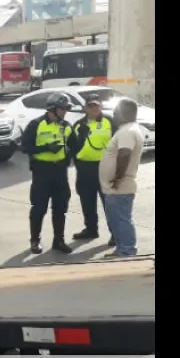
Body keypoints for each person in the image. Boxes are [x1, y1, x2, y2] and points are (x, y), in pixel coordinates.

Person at [20, 92, 79, 254]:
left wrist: (68, 157)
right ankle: (35, 241)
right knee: (39, 208)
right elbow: (24, 147)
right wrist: (46, 148)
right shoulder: (36, 124)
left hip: (60, 172)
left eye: (67, 109)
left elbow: (75, 146)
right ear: (52, 109)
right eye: (63, 109)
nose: (65, 111)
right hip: (42, 172)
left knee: (60, 208)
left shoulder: (66, 126)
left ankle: (58, 241)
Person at [99, 98, 145, 258]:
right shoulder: (129, 129)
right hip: (116, 187)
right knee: (117, 220)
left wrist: (117, 177)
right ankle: (122, 249)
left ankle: (126, 250)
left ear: (124, 114)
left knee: (121, 220)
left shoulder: (127, 131)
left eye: (116, 112)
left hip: (120, 186)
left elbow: (125, 154)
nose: (114, 115)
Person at [71, 94, 116, 245]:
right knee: (87, 201)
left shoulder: (109, 121)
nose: (94, 108)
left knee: (109, 202)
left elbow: (118, 142)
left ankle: (115, 234)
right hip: (85, 168)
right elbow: (73, 147)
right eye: (90, 106)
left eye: (96, 105)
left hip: (104, 167)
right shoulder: (78, 125)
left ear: (101, 106)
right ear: (85, 108)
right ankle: (91, 229)